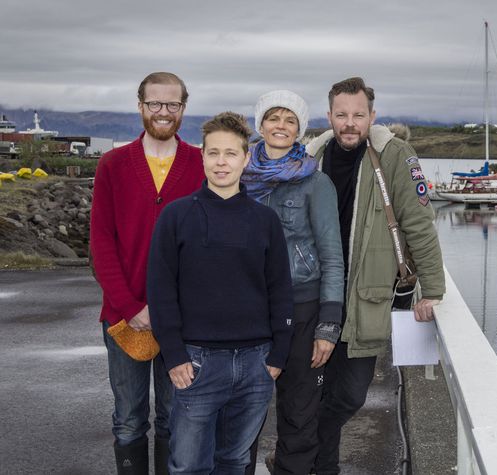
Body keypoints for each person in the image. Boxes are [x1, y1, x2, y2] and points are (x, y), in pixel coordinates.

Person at [305, 77, 446, 474]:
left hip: (365, 299)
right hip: (314, 297)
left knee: (349, 395)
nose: (350, 123)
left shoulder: (395, 155)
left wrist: (432, 290)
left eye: (358, 115)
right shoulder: (310, 157)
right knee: (310, 392)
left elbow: (419, 224)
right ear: (330, 115)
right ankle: (319, 466)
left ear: (372, 116)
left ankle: (299, 451)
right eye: (342, 115)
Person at [147, 111, 294, 474]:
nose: (221, 162)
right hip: (196, 364)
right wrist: (174, 353)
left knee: (234, 461)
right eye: (213, 153)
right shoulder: (176, 216)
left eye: (230, 153)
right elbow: (161, 289)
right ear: (203, 158)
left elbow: (280, 288)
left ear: (246, 158)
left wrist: (279, 353)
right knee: (188, 466)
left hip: (255, 363)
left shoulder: (265, 221)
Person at [89, 72, 204, 474]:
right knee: (129, 418)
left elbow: (205, 246)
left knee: (176, 418)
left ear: (183, 109)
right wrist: (131, 307)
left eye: (172, 104)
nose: (163, 112)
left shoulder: (200, 163)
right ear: (140, 106)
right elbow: (101, 243)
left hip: (183, 319)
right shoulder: (113, 164)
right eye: (154, 103)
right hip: (123, 318)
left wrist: (170, 307)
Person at [241, 90, 344, 474]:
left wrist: (328, 324)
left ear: (300, 128)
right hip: (248, 311)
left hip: (303, 309)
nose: (280, 126)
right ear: (260, 125)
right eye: (273, 118)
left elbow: (333, 258)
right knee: (241, 414)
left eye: (289, 120)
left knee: (299, 415)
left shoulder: (317, 185)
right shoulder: (236, 177)